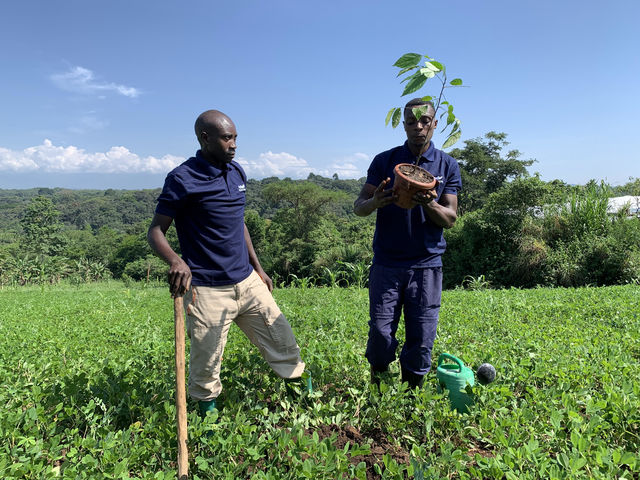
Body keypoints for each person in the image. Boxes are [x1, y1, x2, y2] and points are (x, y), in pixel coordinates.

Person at [148, 109, 311, 417]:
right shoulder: (182, 179)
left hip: (247, 282)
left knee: (283, 342)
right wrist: (175, 261)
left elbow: (239, 224)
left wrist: (258, 269)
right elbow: (155, 231)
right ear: (204, 138)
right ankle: (208, 422)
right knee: (206, 363)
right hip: (207, 290)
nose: (234, 144)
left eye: (235, 137)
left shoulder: (235, 172)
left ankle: (307, 400)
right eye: (226, 138)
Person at [353, 98, 462, 389]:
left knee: (422, 335)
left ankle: (412, 394)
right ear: (403, 125)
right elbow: (359, 206)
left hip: (426, 265)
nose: (418, 127)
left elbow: (450, 218)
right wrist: (376, 201)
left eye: (425, 120)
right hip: (387, 263)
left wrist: (429, 204)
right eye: (411, 121)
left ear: (435, 123)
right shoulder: (385, 161)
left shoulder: (447, 165)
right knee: (380, 331)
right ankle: (379, 383)